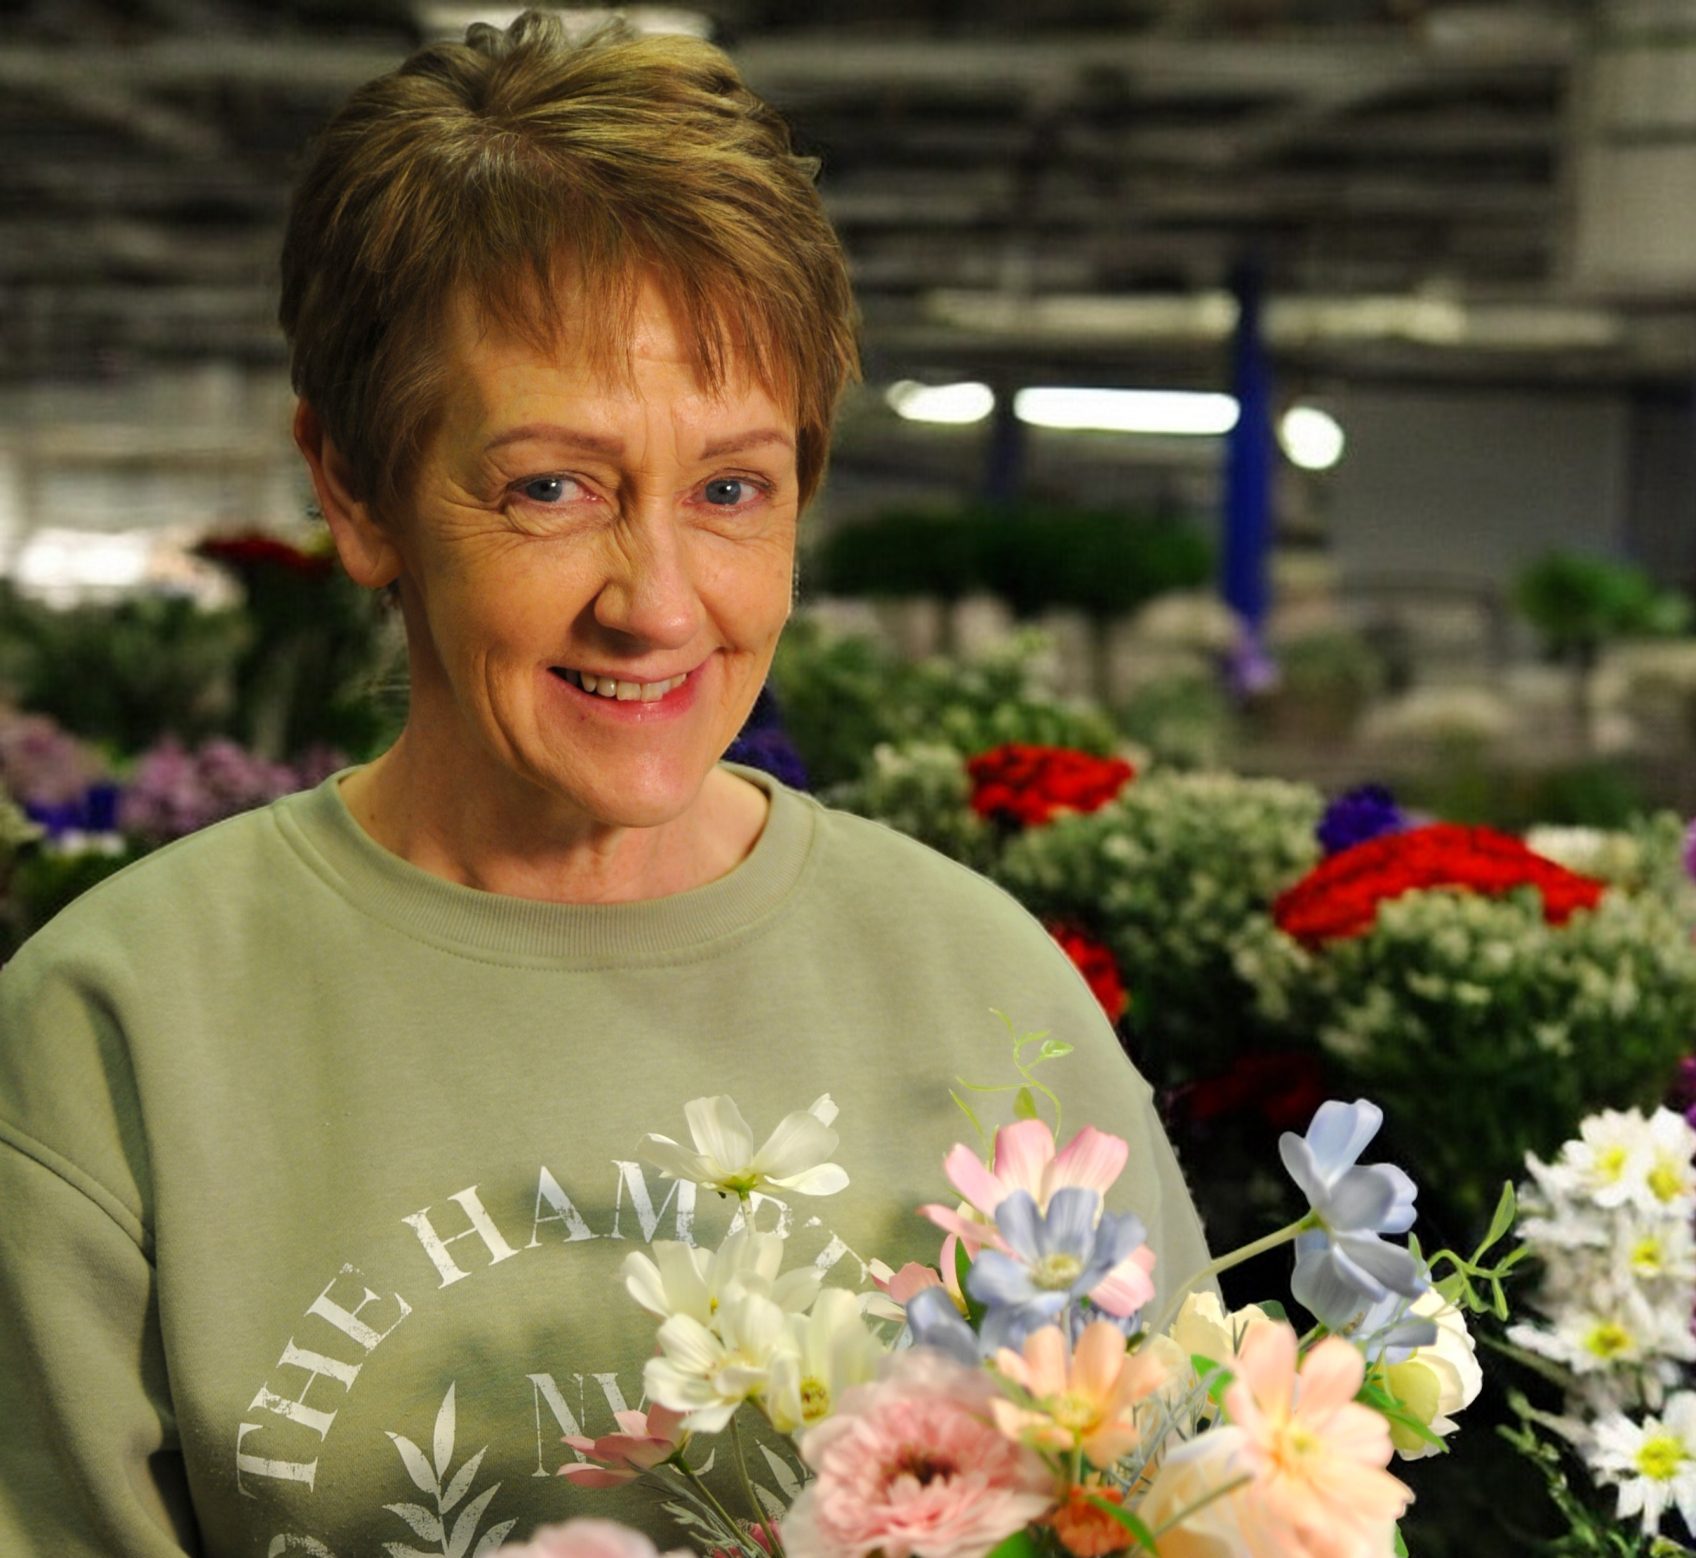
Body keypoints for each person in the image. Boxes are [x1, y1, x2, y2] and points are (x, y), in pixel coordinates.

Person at [0, 14, 1210, 1555]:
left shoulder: (979, 982)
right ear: (356, 490)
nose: (658, 602)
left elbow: (1184, 1502)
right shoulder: (117, 1030)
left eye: (730, 488)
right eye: (552, 487)